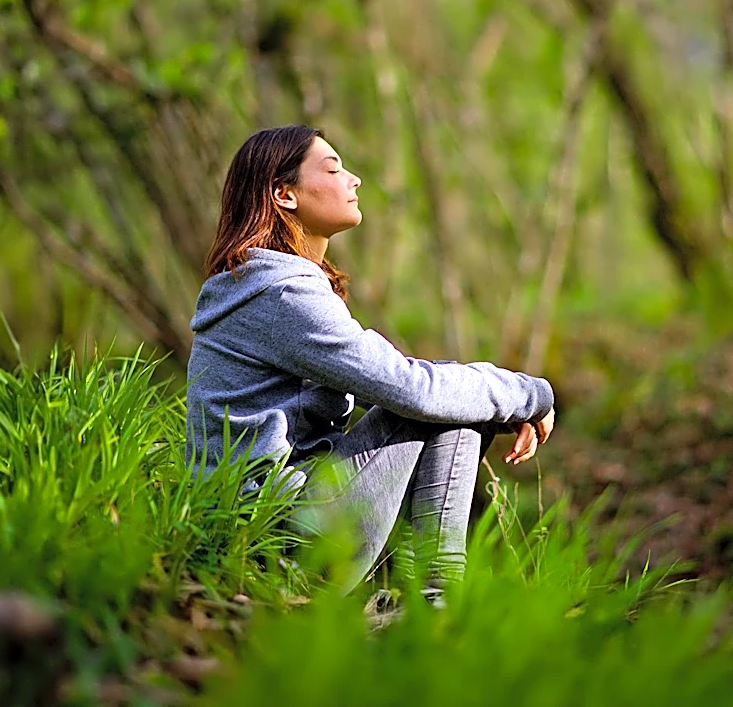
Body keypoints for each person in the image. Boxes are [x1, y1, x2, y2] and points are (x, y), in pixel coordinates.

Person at [186, 124, 555, 604]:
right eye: (334, 169)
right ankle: (435, 599)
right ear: (284, 195)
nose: (354, 179)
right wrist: (531, 395)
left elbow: (404, 385)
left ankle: (428, 596)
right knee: (435, 402)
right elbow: (412, 390)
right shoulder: (282, 294)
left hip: (265, 531)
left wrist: (499, 403)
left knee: (449, 398)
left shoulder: (263, 286)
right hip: (278, 543)